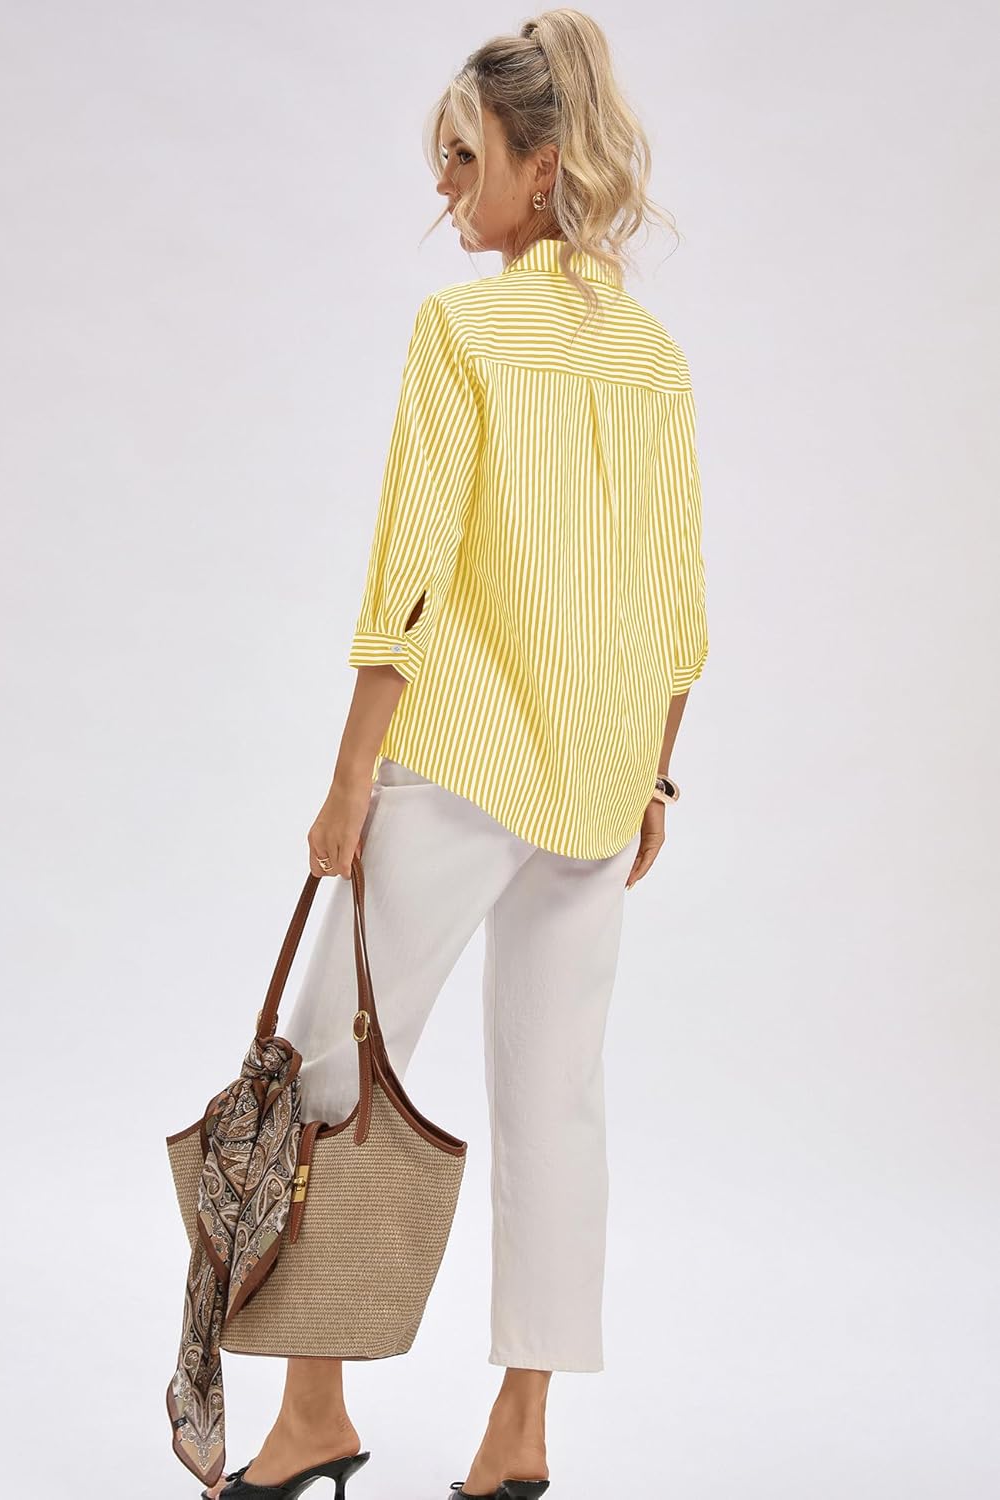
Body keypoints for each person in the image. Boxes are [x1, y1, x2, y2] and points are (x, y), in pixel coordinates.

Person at [207, 9, 709, 1498]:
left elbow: (409, 577)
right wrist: (653, 773)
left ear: (539, 169)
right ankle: (520, 1438)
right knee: (556, 1098)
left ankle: (315, 1410)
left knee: (328, 1065)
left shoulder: (463, 333)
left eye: (464, 157)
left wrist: (349, 776)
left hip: (462, 755)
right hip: (600, 778)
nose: (445, 188)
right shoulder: (656, 357)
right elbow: (679, 601)